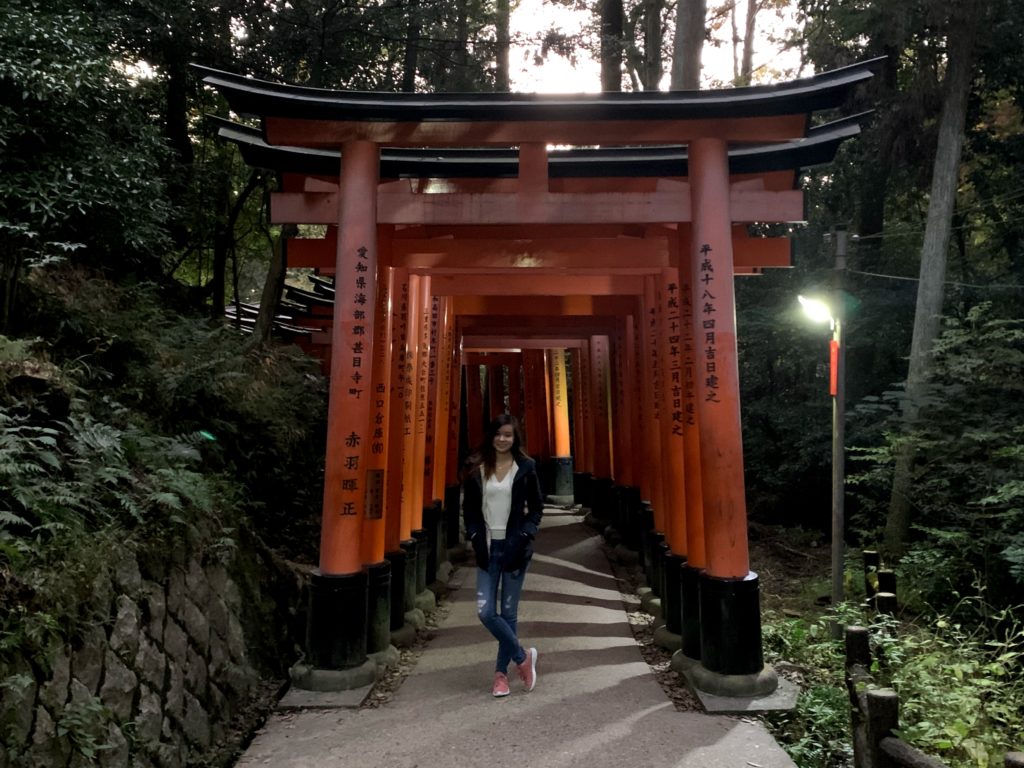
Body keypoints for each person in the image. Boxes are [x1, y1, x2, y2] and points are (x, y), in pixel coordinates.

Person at [462, 414, 544, 697]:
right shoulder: (477, 468)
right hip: (487, 548)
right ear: (491, 436)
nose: (502, 439)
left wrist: (525, 535)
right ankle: (523, 657)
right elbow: (470, 511)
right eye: (498, 433)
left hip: (514, 549)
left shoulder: (526, 468)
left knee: (508, 615)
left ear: (515, 437)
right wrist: (473, 535)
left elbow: (536, 508)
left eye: (508, 434)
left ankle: (500, 675)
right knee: (486, 611)